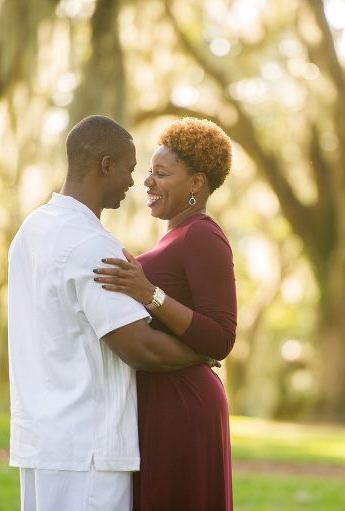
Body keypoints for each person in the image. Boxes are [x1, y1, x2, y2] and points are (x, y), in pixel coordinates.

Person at [7, 115, 213, 511]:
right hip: (89, 449)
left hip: (41, 442)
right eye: (129, 169)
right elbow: (140, 348)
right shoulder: (91, 244)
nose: (134, 182)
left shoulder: (32, 230)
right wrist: (200, 351)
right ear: (106, 165)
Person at [92, 117, 238, 511]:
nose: (147, 182)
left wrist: (148, 293)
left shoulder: (203, 236)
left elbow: (221, 337)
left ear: (196, 183)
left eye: (161, 173)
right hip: (158, 399)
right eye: (149, 171)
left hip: (183, 405)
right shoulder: (176, 235)